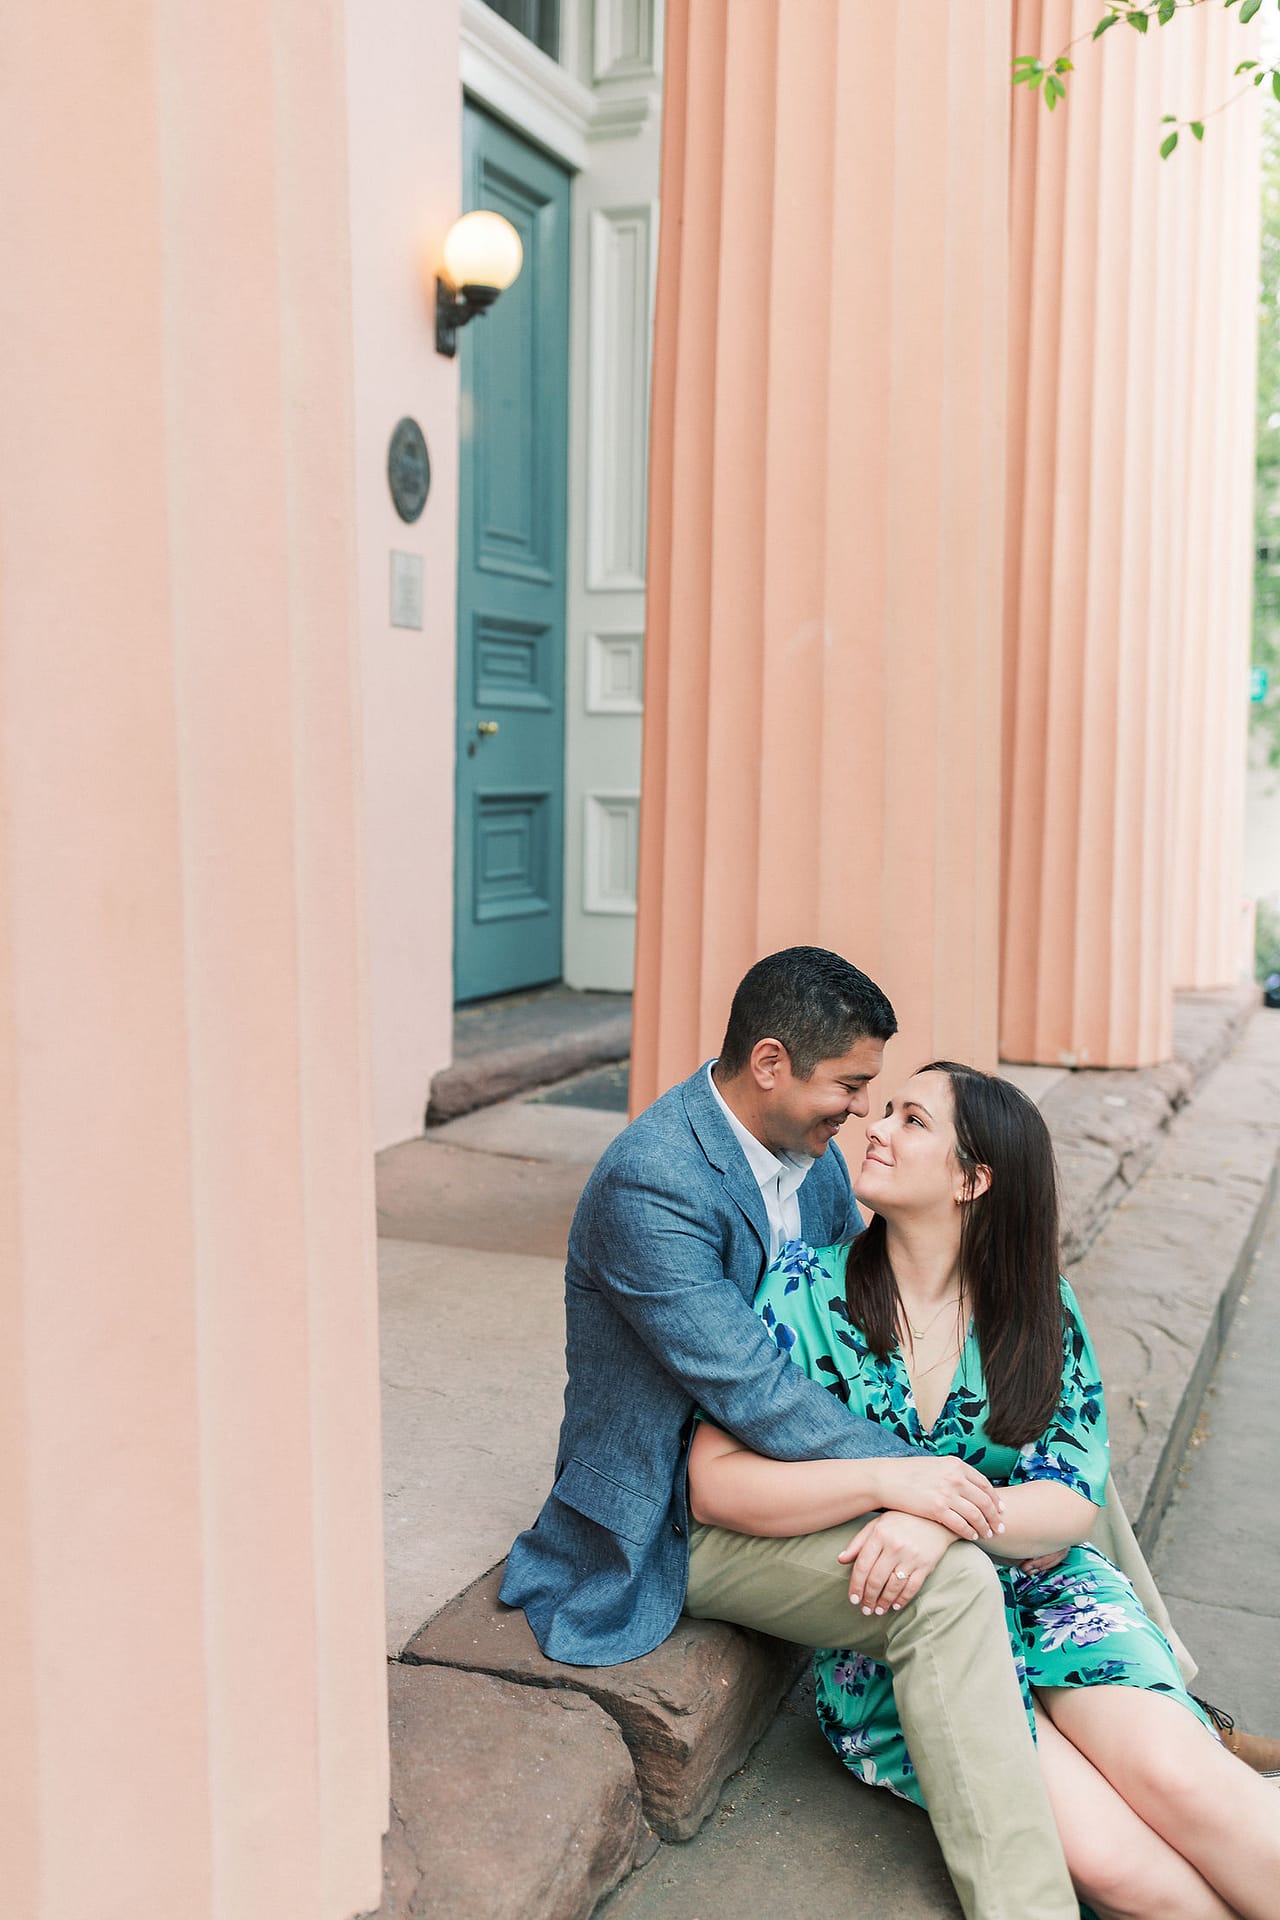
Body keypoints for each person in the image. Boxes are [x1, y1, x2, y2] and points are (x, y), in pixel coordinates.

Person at [688, 1061, 1280, 1919]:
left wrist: (943, 1519)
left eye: (912, 1120)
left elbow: (1071, 1492)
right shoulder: (803, 1291)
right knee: (1117, 1869)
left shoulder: (1039, 1308)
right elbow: (716, 1485)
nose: (876, 1127)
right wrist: (899, 1488)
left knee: (1186, 1785)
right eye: (885, 1110)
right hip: (910, 1634)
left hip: (1053, 1596)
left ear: (973, 1179)